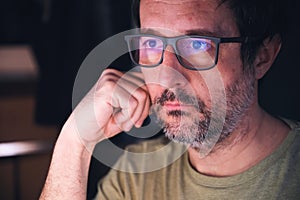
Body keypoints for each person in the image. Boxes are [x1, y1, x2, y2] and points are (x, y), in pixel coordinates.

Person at [40, 0, 300, 199]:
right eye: (151, 44)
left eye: (197, 45)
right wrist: (75, 141)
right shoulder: (135, 176)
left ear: (262, 56)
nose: (167, 77)